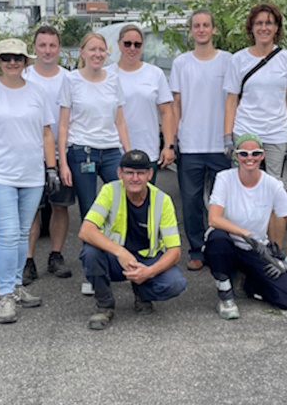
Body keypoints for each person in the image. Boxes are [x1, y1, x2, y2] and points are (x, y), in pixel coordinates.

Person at [0, 38, 60, 324]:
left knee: (22, 233)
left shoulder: (38, 92)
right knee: (7, 234)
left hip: (32, 174)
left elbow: (46, 134)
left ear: (25, 61)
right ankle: (5, 294)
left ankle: (17, 285)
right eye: (6, 57)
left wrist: (52, 168)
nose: (12, 62)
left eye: (17, 58)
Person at [224, 2, 287, 250]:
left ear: (277, 28)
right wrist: (228, 136)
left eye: (269, 23)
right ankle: (246, 248)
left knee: (275, 195)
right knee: (244, 195)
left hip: (276, 135)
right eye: (259, 23)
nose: (264, 27)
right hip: (246, 133)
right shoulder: (239, 59)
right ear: (251, 28)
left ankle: (275, 250)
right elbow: (231, 100)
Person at [77, 150, 187, 330]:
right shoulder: (109, 190)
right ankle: (105, 306)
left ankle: (141, 292)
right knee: (90, 252)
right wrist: (120, 252)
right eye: (129, 172)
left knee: (175, 283)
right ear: (120, 173)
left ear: (150, 174)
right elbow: (86, 230)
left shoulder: (163, 200)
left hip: (147, 258)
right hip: (116, 259)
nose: (135, 178)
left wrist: (149, 272)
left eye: (141, 173)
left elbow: (175, 251)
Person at [57, 32, 131, 295]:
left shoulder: (113, 79)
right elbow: (63, 124)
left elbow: (120, 120)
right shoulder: (71, 80)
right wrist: (63, 163)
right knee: (91, 213)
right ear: (82, 53)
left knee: (119, 207)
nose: (98, 54)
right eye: (92, 50)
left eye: (102, 50)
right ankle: (93, 272)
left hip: (112, 151)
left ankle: (121, 261)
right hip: (82, 152)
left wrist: (128, 157)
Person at [204, 134, 287, 319]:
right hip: (228, 244)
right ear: (236, 156)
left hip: (256, 248)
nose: (250, 158)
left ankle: (249, 284)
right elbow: (214, 219)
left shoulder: (272, 184)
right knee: (217, 238)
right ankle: (225, 296)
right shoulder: (224, 178)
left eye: (255, 153)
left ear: (263, 155)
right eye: (244, 154)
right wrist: (245, 233)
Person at [170, 9, 232, 272]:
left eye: (206, 25)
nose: (202, 29)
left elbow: (234, 99)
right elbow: (175, 104)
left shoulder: (228, 61)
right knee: (191, 202)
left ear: (214, 29)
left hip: (222, 145)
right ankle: (196, 250)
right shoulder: (181, 63)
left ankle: (223, 248)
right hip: (191, 144)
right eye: (196, 25)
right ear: (190, 31)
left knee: (223, 202)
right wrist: (173, 138)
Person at [23, 25, 76, 285]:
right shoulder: (23, 76)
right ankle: (28, 259)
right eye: (42, 45)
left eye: (52, 46)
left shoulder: (69, 78)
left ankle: (56, 255)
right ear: (34, 48)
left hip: (62, 154)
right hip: (30, 153)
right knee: (32, 208)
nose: (47, 50)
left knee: (60, 206)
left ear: (59, 49)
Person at [107, 24, 175, 183]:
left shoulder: (154, 74)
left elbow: (166, 112)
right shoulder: (107, 75)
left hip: (147, 150)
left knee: (145, 203)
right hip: (113, 151)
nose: (132, 48)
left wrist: (169, 146)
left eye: (137, 44)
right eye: (127, 44)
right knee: (117, 204)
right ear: (119, 44)